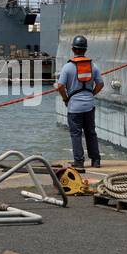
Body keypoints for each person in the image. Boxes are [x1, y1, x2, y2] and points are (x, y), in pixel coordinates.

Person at [56, 34, 104, 169]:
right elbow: (100, 84)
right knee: (91, 132)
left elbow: (60, 86)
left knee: (76, 134)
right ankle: (96, 161)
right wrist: (91, 94)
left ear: (73, 49)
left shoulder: (68, 67)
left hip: (74, 107)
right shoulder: (93, 66)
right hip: (89, 105)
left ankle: (79, 162)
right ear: (85, 49)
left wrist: (65, 98)